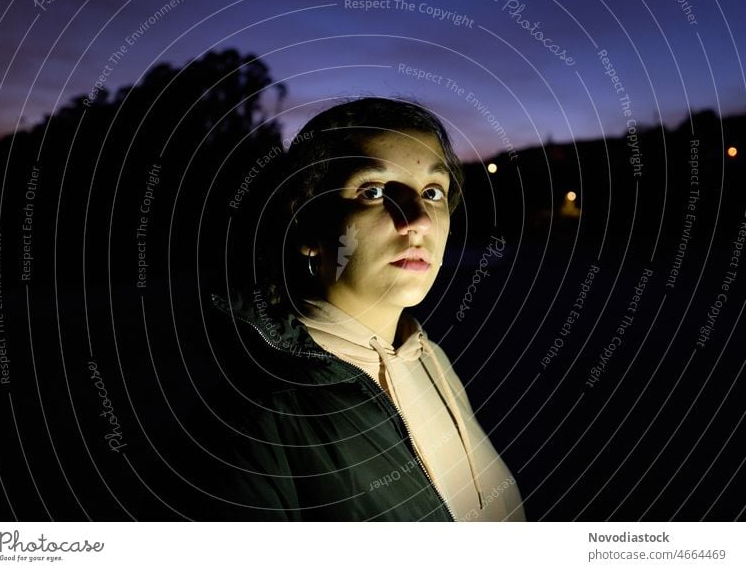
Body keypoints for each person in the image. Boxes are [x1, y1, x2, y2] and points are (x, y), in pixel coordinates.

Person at [205, 97, 525, 521]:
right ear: (305, 227)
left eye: (433, 192)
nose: (419, 220)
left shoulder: (429, 356)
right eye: (373, 191)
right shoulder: (258, 406)